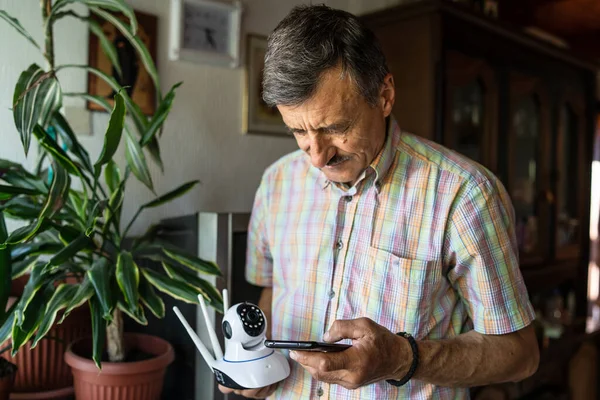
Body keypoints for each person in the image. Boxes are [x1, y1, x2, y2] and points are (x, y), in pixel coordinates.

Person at [221, 4, 539, 399]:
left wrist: (402, 359)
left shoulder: (465, 195)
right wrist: (255, 367)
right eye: (298, 131)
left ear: (385, 95)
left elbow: (520, 354)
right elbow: (272, 293)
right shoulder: (276, 183)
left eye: (334, 128)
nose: (317, 156)